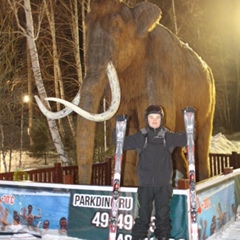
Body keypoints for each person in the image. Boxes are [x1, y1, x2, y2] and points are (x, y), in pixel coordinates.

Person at [117, 105, 187, 240]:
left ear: (161, 119)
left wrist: (190, 123)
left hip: (163, 186)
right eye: (151, 117)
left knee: (163, 218)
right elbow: (121, 143)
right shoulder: (141, 137)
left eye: (157, 117)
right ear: (146, 119)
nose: (154, 120)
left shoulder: (168, 136)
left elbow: (186, 138)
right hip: (145, 185)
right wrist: (119, 128)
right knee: (143, 217)